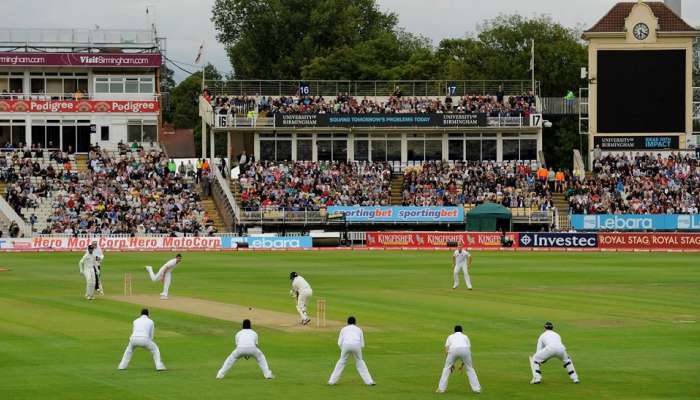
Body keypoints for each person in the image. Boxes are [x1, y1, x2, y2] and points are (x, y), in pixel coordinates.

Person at [328, 316, 375, 386]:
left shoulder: (343, 329)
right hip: (357, 345)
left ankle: (332, 381)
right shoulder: (359, 329)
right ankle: (369, 381)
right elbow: (362, 344)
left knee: (341, 362)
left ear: (347, 322)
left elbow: (339, 343)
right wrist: (357, 353)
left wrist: (344, 351)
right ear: (355, 323)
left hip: (346, 345)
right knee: (360, 362)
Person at [436, 325, 481, 394]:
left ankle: (441, 389)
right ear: (462, 330)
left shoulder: (450, 336)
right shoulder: (465, 336)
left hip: (453, 350)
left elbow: (446, 349)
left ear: (454, 331)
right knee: (470, 368)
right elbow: (468, 350)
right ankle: (477, 389)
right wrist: (463, 364)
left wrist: (450, 363)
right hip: (465, 350)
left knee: (446, 368)